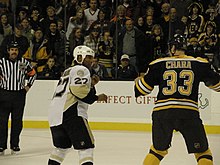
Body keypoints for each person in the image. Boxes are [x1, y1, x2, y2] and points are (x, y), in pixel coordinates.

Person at [134, 34, 220, 165]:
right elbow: (218, 85)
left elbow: (143, 90)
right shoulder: (199, 63)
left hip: (162, 113)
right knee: (203, 152)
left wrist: (138, 82)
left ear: (173, 48)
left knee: (157, 151)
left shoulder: (159, 63)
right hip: (188, 113)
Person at [48, 45, 108, 165]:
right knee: (86, 148)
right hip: (71, 113)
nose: (92, 61)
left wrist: (91, 84)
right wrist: (97, 98)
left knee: (61, 149)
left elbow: (71, 89)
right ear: (79, 57)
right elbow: (78, 91)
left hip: (55, 115)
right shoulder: (81, 69)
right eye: (89, 57)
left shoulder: (67, 71)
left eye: (92, 58)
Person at [0, 42, 37, 155]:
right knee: (2, 122)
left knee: (17, 122)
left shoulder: (24, 62)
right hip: (4, 94)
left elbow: (33, 74)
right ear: (8, 51)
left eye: (15, 49)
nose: (14, 52)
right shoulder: (1, 62)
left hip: (19, 95)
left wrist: (28, 86)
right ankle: (1, 145)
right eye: (12, 49)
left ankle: (14, 145)